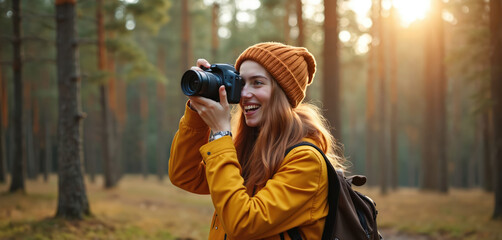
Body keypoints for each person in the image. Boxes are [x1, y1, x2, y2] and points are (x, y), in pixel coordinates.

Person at [169, 42, 345, 240]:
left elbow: (243, 223)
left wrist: (220, 134)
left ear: (282, 93)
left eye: (258, 83)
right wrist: (197, 110)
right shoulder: (249, 150)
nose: (244, 94)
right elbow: (185, 175)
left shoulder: (306, 161)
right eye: (242, 83)